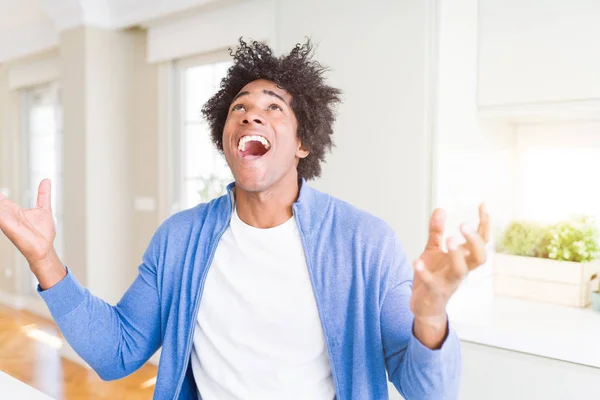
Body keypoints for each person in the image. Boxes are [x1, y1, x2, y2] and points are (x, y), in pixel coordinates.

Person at [0, 39, 489, 400]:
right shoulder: (180, 239)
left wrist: (429, 316)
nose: (252, 115)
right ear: (226, 137)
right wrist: (44, 258)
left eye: (273, 108)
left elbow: (432, 393)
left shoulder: (363, 241)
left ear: (302, 143)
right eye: (241, 107)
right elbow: (117, 353)